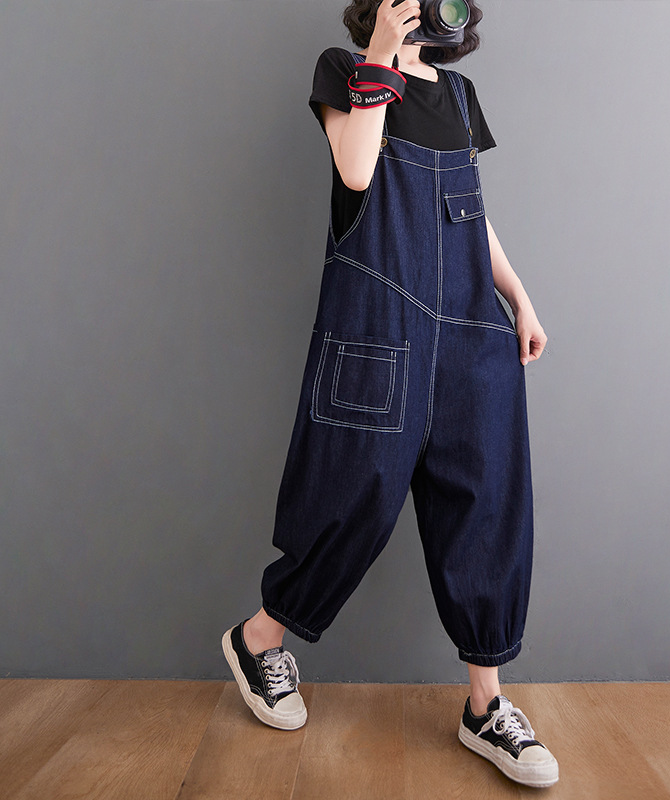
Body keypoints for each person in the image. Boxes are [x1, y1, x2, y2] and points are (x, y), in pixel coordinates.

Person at [222, 0, 558, 788]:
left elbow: (471, 214)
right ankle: (259, 637)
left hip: (473, 330)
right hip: (378, 327)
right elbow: (356, 170)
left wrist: (519, 297)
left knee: (486, 507)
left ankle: (486, 707)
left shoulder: (460, 95)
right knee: (354, 497)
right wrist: (379, 57)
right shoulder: (344, 71)